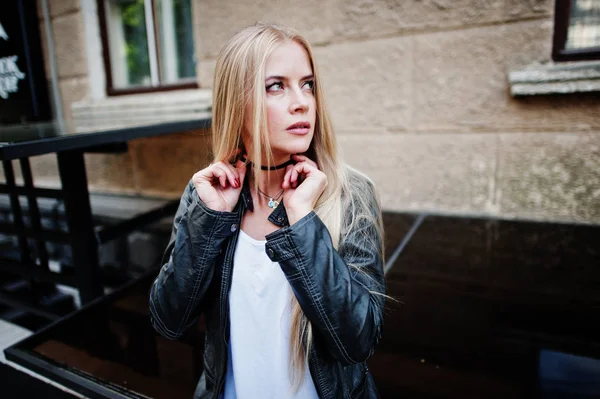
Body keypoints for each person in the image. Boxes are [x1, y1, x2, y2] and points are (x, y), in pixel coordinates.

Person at [149, 23, 387, 399]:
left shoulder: (350, 194)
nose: (302, 101)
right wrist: (210, 222)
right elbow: (168, 321)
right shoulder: (206, 196)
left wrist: (303, 220)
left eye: (307, 84)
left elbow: (358, 341)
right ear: (236, 103)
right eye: (276, 86)